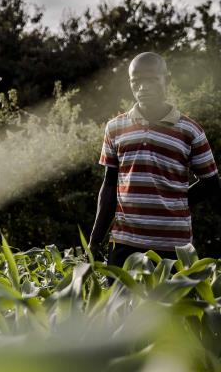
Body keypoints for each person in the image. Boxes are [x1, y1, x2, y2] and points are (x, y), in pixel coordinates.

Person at [88, 52, 220, 266]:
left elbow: (211, 183)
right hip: (124, 244)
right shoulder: (115, 128)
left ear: (166, 80)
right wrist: (94, 240)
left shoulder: (190, 131)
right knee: (117, 300)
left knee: (170, 301)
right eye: (136, 81)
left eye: (151, 79)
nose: (143, 87)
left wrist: (176, 201)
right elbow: (110, 184)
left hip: (173, 247)